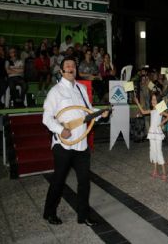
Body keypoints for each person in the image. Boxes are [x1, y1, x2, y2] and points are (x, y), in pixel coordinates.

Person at [42, 56, 109, 226]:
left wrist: (100, 113)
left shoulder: (81, 88)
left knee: (84, 181)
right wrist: (60, 130)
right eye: (67, 66)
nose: (71, 68)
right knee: (58, 180)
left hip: (82, 144)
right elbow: (46, 118)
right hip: (63, 145)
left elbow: (87, 111)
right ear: (62, 70)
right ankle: (49, 212)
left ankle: (83, 215)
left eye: (73, 65)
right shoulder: (55, 91)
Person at [134, 93, 168, 180]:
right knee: (153, 151)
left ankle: (164, 172)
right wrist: (137, 102)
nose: (152, 101)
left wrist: (161, 123)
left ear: (158, 101)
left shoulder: (159, 109)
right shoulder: (153, 110)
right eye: (152, 99)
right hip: (152, 133)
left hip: (157, 133)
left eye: (154, 99)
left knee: (159, 151)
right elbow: (143, 112)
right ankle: (155, 170)